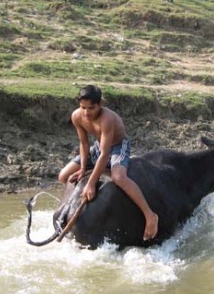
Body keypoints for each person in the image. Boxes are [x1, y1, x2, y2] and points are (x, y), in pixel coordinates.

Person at [58, 85, 159, 241]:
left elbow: (105, 154)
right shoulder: (77, 116)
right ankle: (72, 206)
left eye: (91, 108)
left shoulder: (107, 118)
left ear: (100, 105)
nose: (86, 112)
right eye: (83, 107)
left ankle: (150, 215)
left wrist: (91, 183)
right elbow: (84, 144)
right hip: (98, 147)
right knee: (64, 175)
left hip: (118, 146)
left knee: (119, 177)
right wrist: (83, 168)